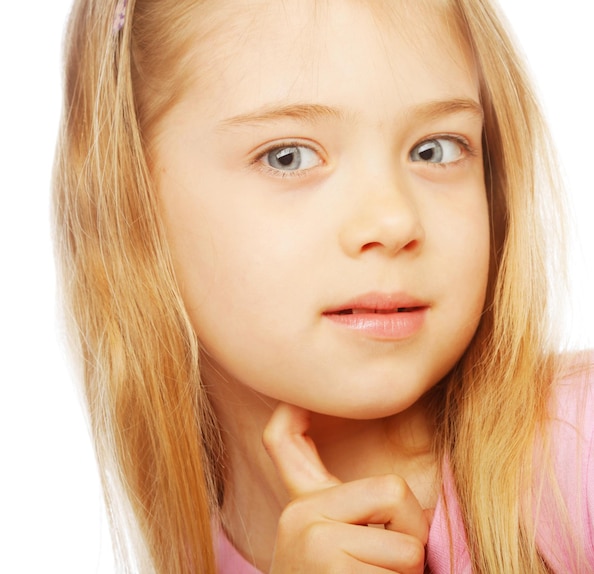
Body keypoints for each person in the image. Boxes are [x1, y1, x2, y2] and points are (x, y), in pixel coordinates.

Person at [52, 0, 593, 572]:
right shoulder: (197, 554)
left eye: (435, 149)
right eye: (288, 157)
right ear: (130, 198)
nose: (393, 222)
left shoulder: (575, 454)